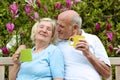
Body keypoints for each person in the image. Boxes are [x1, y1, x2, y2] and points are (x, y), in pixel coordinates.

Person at [56, 10, 111, 80]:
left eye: (62, 26)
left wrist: (88, 54)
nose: (57, 29)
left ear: (75, 28)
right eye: (57, 24)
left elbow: (107, 74)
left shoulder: (93, 39)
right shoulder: (56, 43)